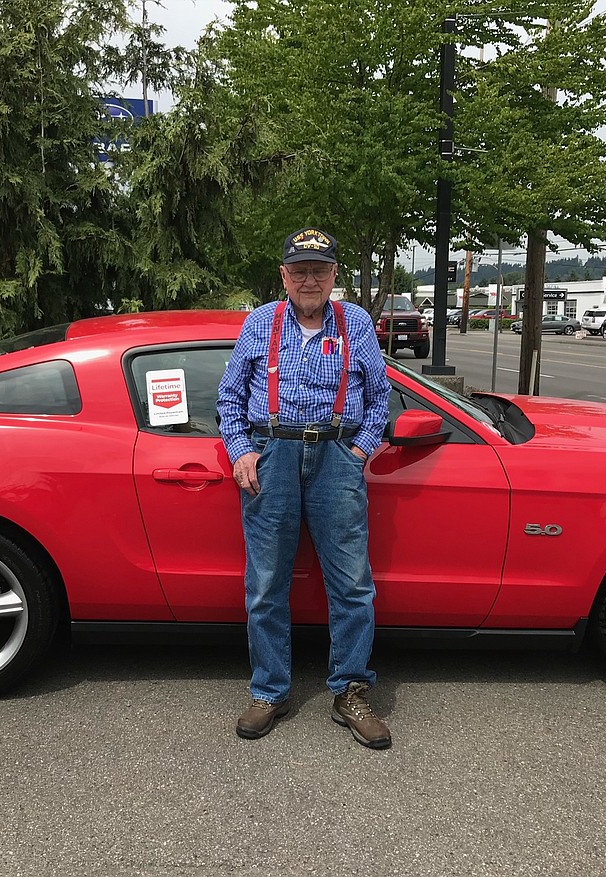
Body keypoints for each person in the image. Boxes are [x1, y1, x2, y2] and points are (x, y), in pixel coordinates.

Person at [217, 227, 392, 749]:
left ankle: (351, 691)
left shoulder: (355, 323)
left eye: (320, 270)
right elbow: (229, 399)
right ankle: (270, 690)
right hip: (272, 455)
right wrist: (242, 451)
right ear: (285, 277)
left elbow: (380, 399)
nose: (310, 279)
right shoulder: (260, 324)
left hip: (337, 456)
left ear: (334, 275)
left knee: (352, 584)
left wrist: (357, 451)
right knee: (267, 582)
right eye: (300, 271)